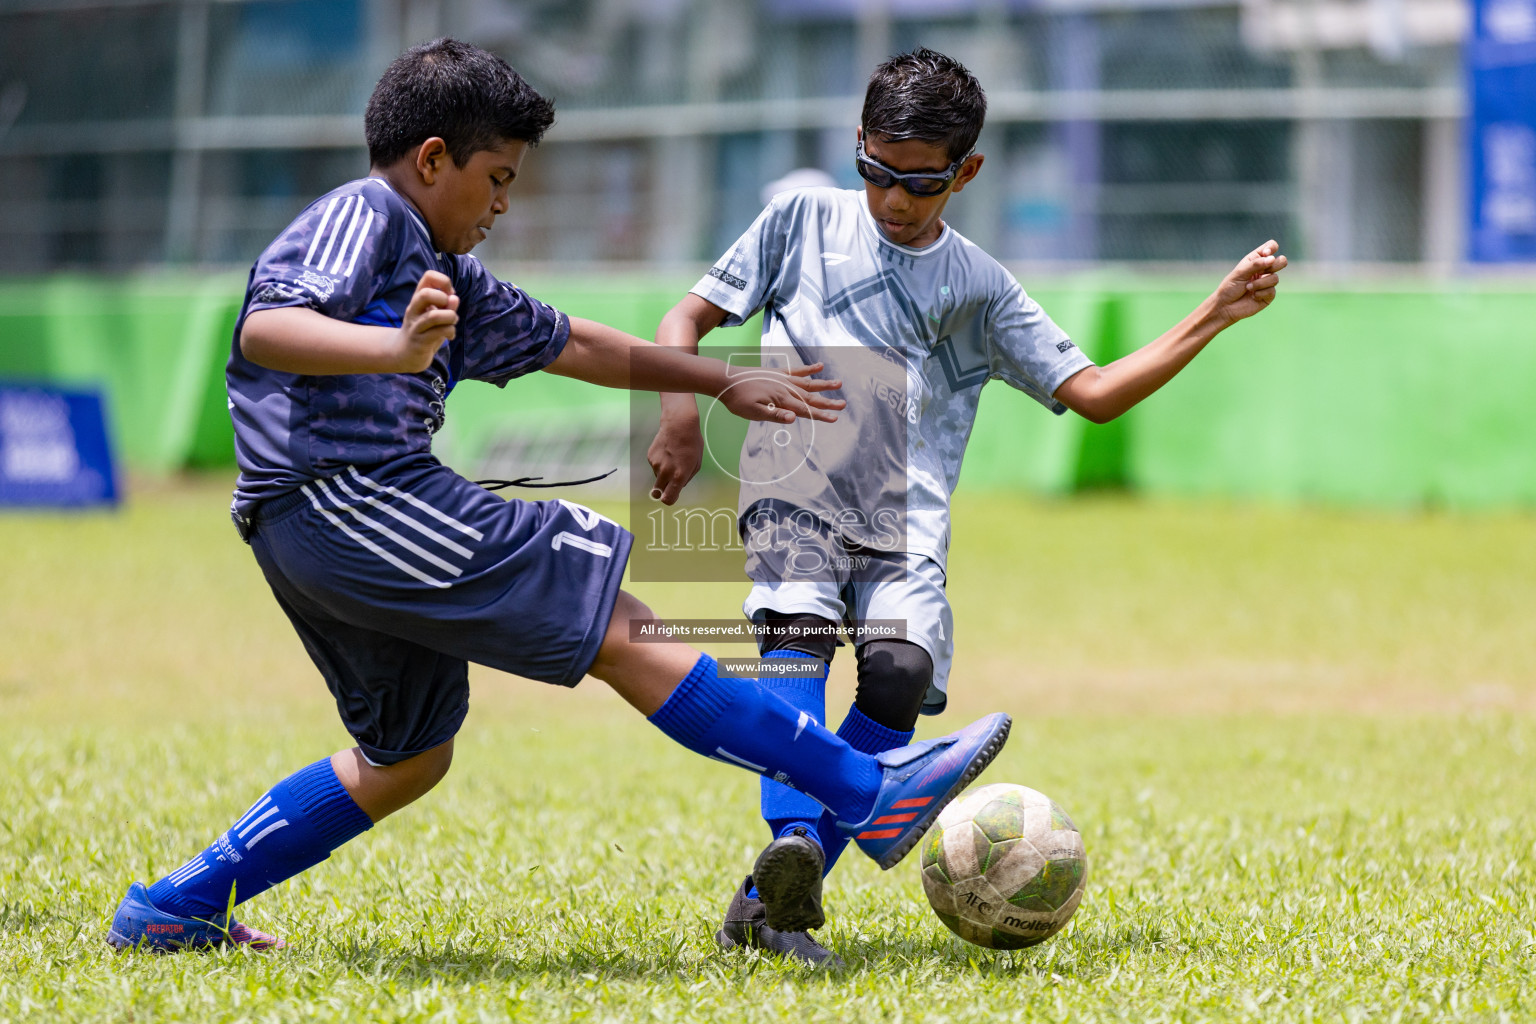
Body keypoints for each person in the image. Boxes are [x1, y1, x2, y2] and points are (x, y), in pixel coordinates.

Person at [106, 39, 1014, 953]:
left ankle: (175, 906)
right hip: (350, 496)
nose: (505, 203)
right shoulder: (368, 215)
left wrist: (713, 382)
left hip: (320, 528)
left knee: (408, 755)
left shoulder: (449, 275)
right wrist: (393, 351)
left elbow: (572, 342)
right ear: (431, 160)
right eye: (496, 178)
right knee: (616, 619)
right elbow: (267, 326)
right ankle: (867, 792)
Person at [646, 47, 1288, 964]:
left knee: (901, 673)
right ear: (857, 145)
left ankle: (771, 892)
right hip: (793, 481)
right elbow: (687, 320)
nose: (894, 200)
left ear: (967, 171)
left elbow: (1095, 392)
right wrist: (680, 412)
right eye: (877, 172)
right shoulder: (799, 218)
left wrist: (1213, 313)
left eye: (921, 183)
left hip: (907, 515)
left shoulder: (980, 287)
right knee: (797, 633)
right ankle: (793, 840)